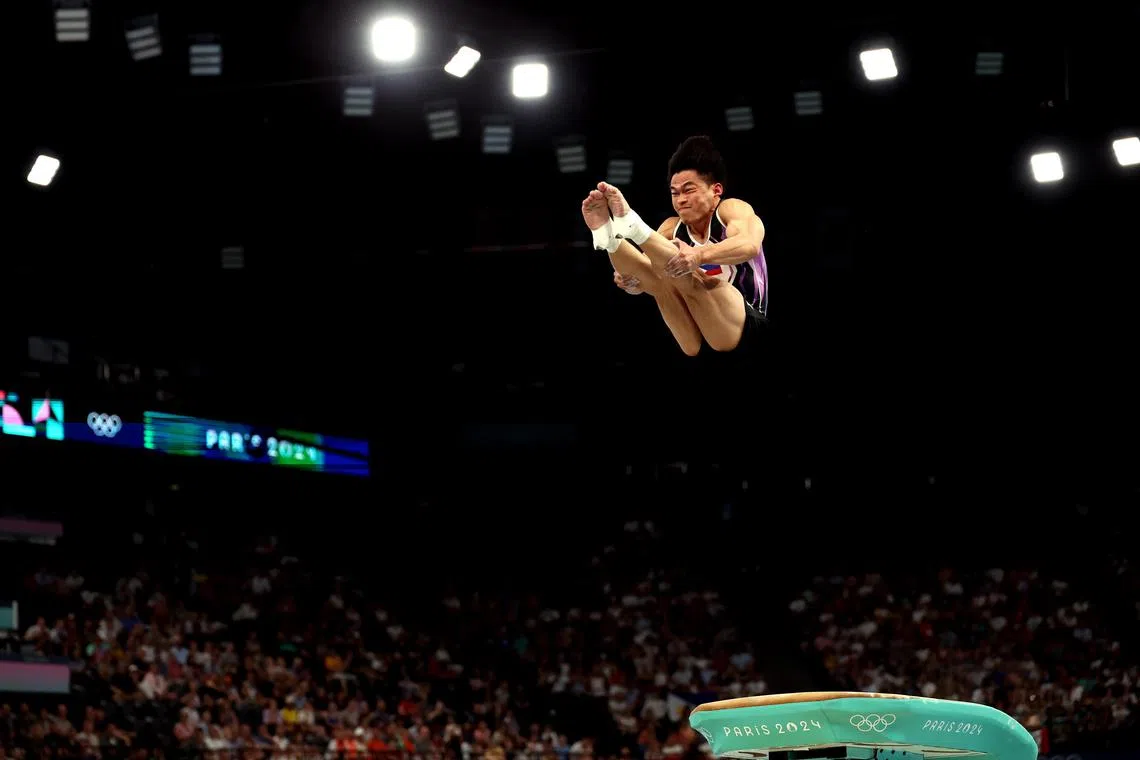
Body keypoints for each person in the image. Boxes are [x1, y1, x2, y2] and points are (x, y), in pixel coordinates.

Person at [582, 136, 768, 358]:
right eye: (675, 193)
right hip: (696, 340)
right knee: (662, 277)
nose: (680, 200)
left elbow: (749, 245)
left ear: (716, 191)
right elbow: (646, 274)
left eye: (689, 190)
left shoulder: (731, 210)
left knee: (693, 277)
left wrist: (698, 255)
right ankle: (609, 238)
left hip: (745, 328)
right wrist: (630, 280)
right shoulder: (671, 228)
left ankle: (634, 225)